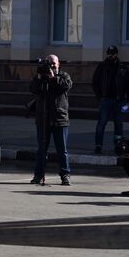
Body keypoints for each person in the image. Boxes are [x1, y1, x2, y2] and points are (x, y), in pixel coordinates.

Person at [30, 55, 73, 186]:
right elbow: (33, 89)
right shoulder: (41, 77)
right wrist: (39, 77)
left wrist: (53, 77)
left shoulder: (64, 76)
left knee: (62, 150)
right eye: (49, 63)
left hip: (60, 119)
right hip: (43, 119)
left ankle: (65, 175)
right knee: (42, 150)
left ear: (58, 63)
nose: (52, 65)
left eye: (53, 63)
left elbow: (66, 86)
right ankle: (38, 175)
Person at [91, 46, 129, 156]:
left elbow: (128, 84)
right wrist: (100, 97)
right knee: (102, 123)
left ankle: (118, 146)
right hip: (105, 99)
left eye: (113, 53)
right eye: (109, 53)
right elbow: (95, 82)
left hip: (119, 100)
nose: (111, 55)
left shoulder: (122, 67)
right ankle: (98, 146)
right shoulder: (102, 66)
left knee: (119, 123)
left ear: (117, 54)